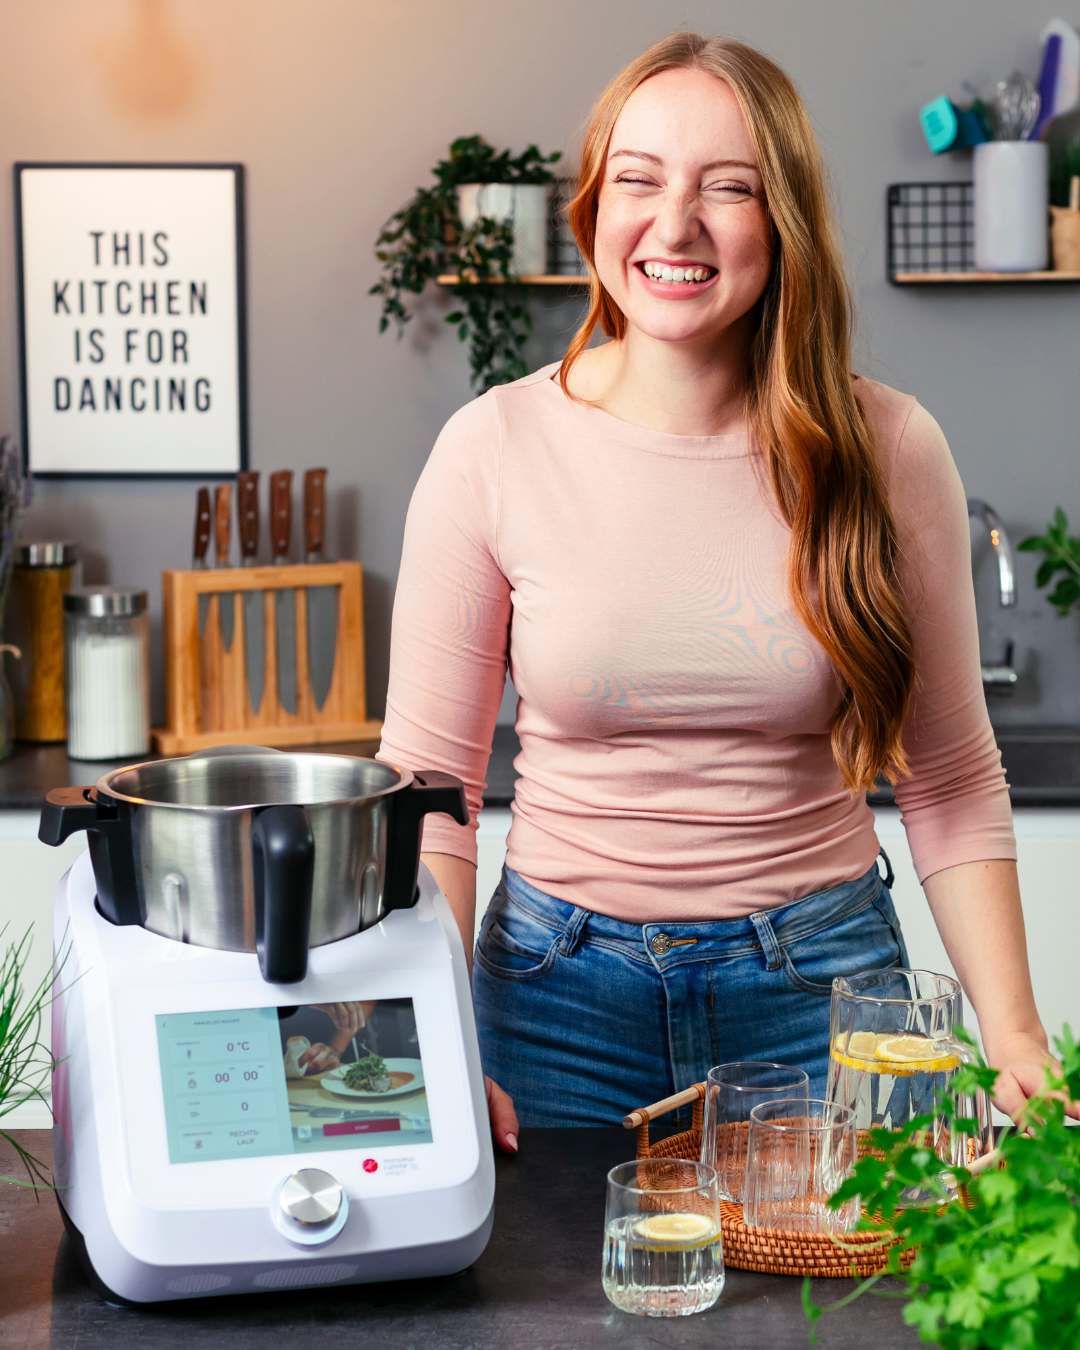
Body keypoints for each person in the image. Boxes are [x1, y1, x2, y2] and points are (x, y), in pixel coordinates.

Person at [377, 33, 1063, 1154]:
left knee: (840, 1327)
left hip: (823, 993)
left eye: (727, 188)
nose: (675, 224)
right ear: (595, 206)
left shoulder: (888, 447)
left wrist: (1017, 1030)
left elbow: (947, 778)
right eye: (639, 180)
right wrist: (433, 1037)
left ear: (781, 220)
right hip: (553, 1002)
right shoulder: (492, 447)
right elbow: (430, 796)